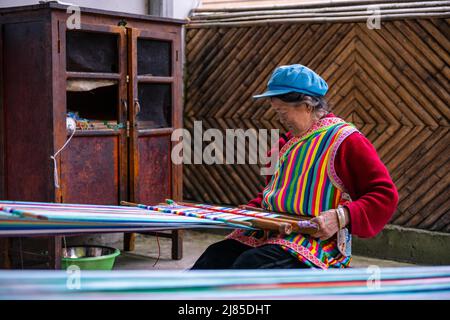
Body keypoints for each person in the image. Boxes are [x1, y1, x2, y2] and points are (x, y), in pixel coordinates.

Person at [191, 64, 399, 270]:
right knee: (214, 258)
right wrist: (251, 211)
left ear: (307, 105)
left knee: (250, 267)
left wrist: (340, 217)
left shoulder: (345, 141)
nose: (279, 118)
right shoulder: (284, 145)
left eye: (282, 111)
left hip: (317, 242)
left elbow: (385, 195)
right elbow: (275, 193)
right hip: (273, 231)